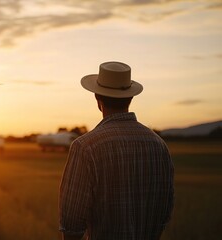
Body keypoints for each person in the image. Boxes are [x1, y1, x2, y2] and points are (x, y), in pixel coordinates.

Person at [59, 61, 174, 240]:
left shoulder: (85, 147)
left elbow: (71, 225)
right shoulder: (159, 145)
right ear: (130, 98)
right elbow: (164, 212)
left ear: (98, 99)